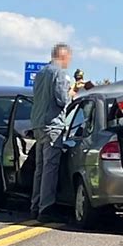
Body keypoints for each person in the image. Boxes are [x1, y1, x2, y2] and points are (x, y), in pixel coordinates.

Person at [30, 43, 71, 223]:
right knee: (50, 169)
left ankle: (35, 205)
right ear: (63, 56)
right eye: (69, 58)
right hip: (53, 125)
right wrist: (72, 93)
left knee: (40, 168)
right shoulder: (59, 73)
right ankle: (46, 208)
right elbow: (62, 100)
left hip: (38, 124)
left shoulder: (40, 73)